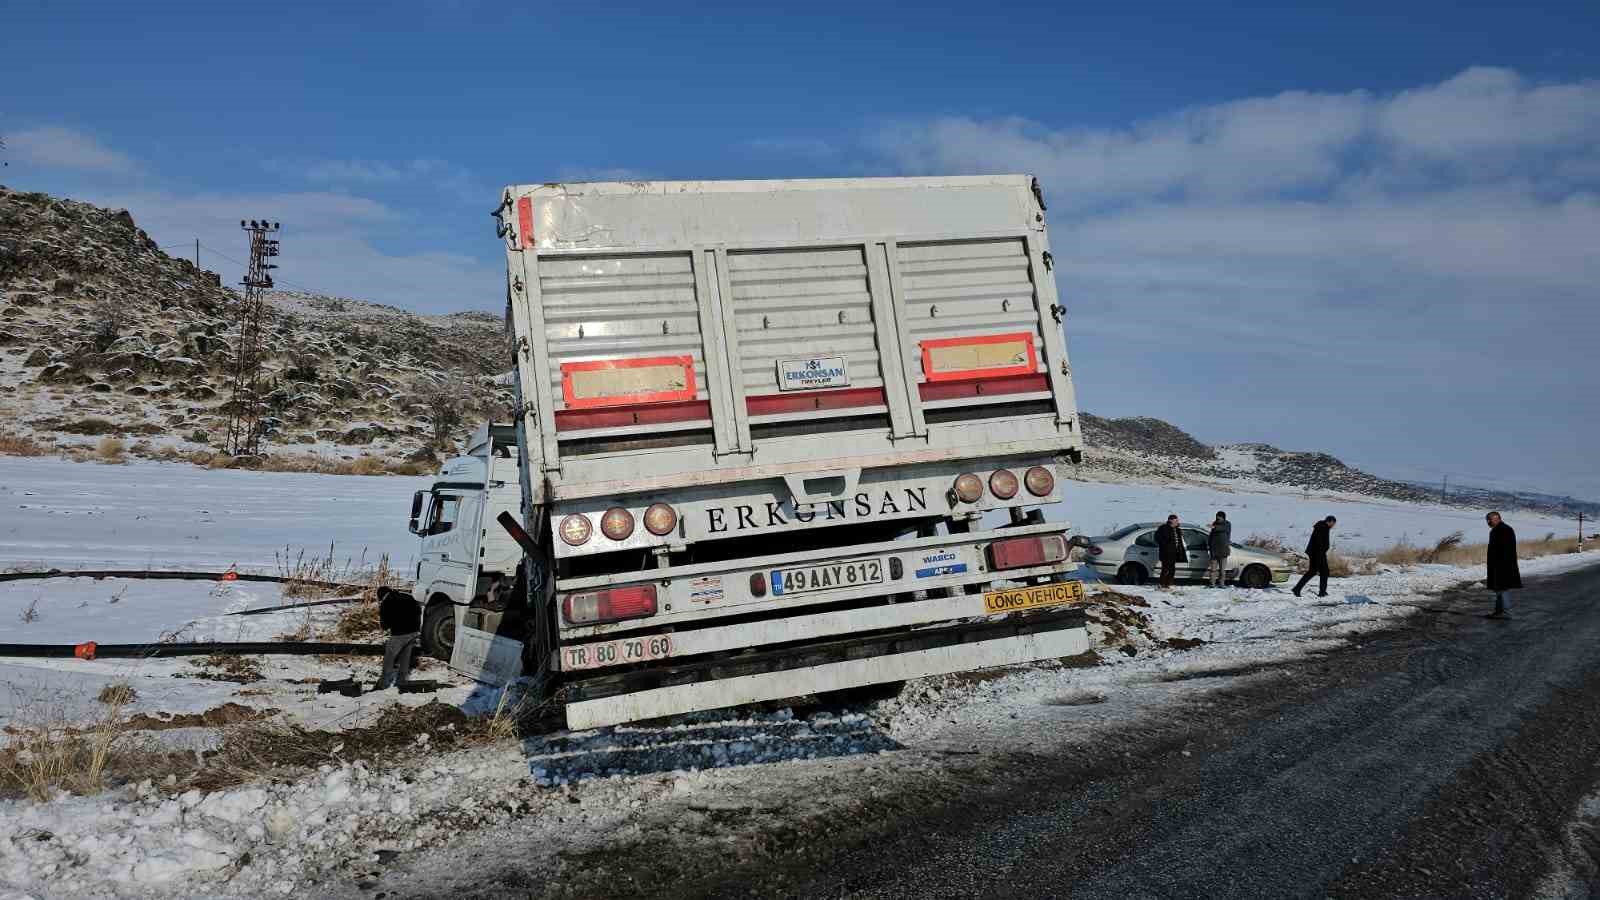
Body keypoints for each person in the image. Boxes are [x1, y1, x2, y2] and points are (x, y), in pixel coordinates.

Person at [376, 587, 422, 689]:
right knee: (405, 658)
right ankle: (401, 681)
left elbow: (384, 626)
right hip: (413, 632)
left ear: (381, 596)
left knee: (389, 659)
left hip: (399, 634)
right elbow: (419, 610)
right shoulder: (408, 597)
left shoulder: (386, 604)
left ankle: (383, 684)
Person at [1485, 511, 1522, 619]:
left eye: (1489, 519)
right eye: (1488, 519)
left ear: (1496, 518)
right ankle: (1499, 611)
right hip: (1499, 565)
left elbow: (1505, 550)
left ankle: (1507, 612)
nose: (1488, 522)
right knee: (1498, 589)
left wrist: (1500, 565)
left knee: (1502, 588)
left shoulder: (1504, 530)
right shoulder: (1499, 529)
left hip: (1502, 566)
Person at [1293, 515, 1337, 597]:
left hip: (1318, 553)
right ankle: (1297, 589)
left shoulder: (1323, 526)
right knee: (1314, 571)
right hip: (1317, 553)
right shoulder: (1322, 527)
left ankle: (1322, 591)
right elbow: (1318, 541)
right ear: (1329, 521)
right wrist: (1321, 552)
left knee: (1324, 572)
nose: (1333, 525)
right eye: (1333, 523)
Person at [1155, 514, 1187, 590]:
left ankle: (1168, 583)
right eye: (1176, 520)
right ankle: (1162, 584)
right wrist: (1165, 545)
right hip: (1165, 553)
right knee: (1165, 568)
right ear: (1170, 520)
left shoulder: (1177, 529)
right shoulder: (1163, 528)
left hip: (1174, 553)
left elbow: (1179, 542)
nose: (1177, 522)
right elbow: (1157, 538)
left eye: (1177, 520)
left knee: (1172, 569)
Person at [1207, 511, 1232, 588]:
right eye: (1217, 516)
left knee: (1222, 570)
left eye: (1219, 517)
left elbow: (1222, 528)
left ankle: (1221, 584)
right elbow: (1211, 535)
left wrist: (1214, 527)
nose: (1218, 518)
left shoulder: (1227, 524)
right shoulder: (1214, 523)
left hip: (1223, 551)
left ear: (1223, 517)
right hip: (1214, 551)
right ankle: (1212, 584)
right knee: (1213, 570)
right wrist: (1209, 544)